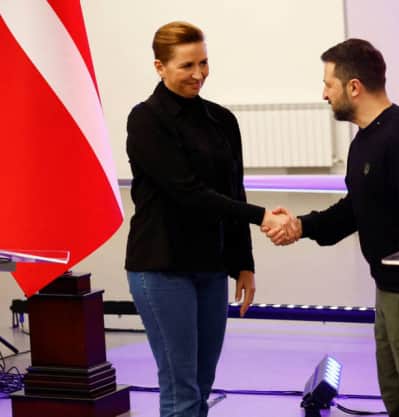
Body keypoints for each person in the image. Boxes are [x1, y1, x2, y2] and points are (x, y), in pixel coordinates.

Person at [265, 39, 399, 417]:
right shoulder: (366, 141)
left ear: (353, 87)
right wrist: (300, 226)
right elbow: (355, 209)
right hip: (390, 291)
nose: (324, 94)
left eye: (329, 84)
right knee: (398, 401)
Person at [124, 21, 288, 417]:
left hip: (210, 267)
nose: (198, 74)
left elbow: (233, 191)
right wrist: (262, 216)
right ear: (160, 67)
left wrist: (243, 263)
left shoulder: (222, 120)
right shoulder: (146, 120)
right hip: (162, 267)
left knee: (202, 384)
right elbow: (188, 193)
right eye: (186, 65)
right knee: (181, 387)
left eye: (204, 63)